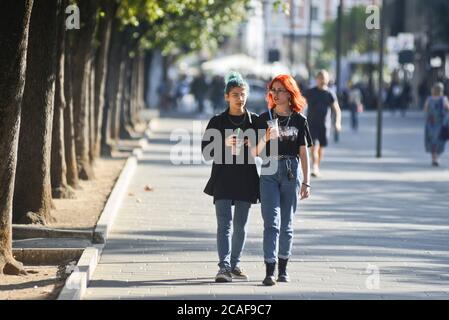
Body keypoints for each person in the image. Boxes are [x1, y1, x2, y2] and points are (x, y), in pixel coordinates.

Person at [250, 75, 312, 286]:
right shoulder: (263, 117)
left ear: (289, 93)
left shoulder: (299, 120)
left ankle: (283, 269)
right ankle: (269, 269)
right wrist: (265, 138)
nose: (275, 94)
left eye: (280, 90)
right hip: (269, 168)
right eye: (273, 90)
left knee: (287, 224)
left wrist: (307, 181)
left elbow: (304, 153)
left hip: (291, 171)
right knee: (271, 222)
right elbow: (254, 153)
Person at [201, 72, 260, 283]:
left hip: (246, 178)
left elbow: (264, 151)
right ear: (227, 96)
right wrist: (223, 143)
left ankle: (235, 264)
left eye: (243, 94)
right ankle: (223, 267)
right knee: (224, 224)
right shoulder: (217, 121)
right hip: (223, 178)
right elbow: (206, 153)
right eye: (235, 94)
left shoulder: (254, 121)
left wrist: (254, 143)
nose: (240, 98)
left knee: (240, 225)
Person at [304, 70, 342, 177]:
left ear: (328, 79)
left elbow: (337, 110)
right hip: (311, 124)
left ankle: (317, 165)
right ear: (316, 79)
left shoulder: (330, 94)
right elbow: (301, 104)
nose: (323, 80)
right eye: (320, 78)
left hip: (325, 125)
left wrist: (337, 123)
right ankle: (315, 167)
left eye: (325, 78)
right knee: (314, 146)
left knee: (321, 147)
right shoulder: (310, 92)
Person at [424, 82, 449, 167]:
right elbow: (448, 108)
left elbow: (425, 109)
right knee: (439, 141)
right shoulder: (444, 99)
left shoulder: (429, 99)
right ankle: (436, 158)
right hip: (440, 124)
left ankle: (434, 158)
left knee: (432, 141)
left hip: (430, 123)